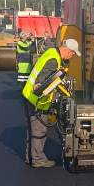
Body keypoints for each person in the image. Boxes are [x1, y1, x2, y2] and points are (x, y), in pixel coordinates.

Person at [22, 38, 81, 168]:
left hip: (29, 97)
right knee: (39, 131)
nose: (72, 56)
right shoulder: (53, 60)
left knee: (33, 130)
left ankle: (31, 157)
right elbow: (42, 83)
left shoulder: (53, 54)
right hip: (36, 101)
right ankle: (38, 160)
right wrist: (59, 95)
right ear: (66, 50)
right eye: (72, 53)